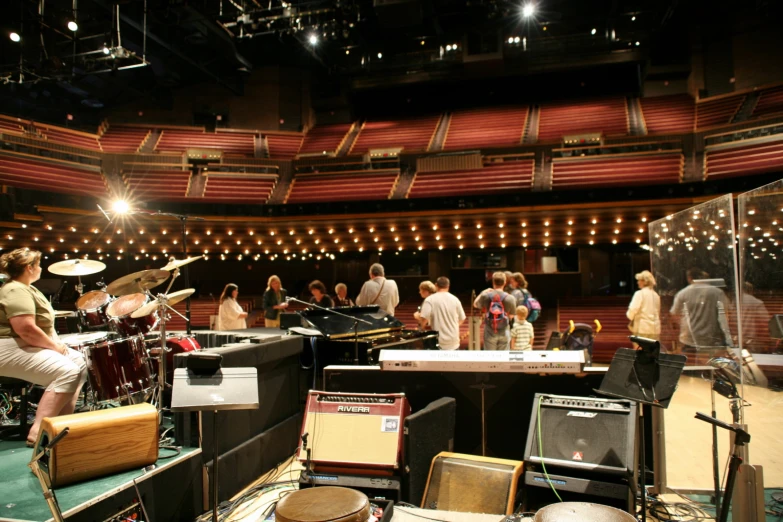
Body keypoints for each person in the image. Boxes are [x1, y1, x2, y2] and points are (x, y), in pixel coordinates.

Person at [0, 248, 87, 446]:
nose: (40, 269)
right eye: (38, 265)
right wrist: (54, 347)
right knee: (68, 371)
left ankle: (63, 424)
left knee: (79, 362)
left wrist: (56, 345)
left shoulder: (27, 287)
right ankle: (39, 431)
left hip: (22, 344)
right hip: (7, 347)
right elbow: (26, 329)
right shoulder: (15, 289)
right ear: (29, 268)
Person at [671, 268, 732, 351]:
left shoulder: (683, 293)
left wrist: (684, 327)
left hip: (689, 338)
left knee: (691, 363)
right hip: (712, 338)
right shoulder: (717, 292)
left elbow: (674, 314)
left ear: (689, 278)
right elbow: (726, 313)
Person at [419, 277, 466, 350]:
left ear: (436, 285)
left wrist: (420, 324)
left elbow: (424, 320)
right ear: (448, 286)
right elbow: (462, 318)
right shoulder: (455, 299)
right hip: (453, 341)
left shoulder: (429, 300)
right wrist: (454, 326)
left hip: (438, 341)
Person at [473, 271, 516, 350]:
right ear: (505, 282)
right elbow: (511, 316)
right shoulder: (511, 298)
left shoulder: (485, 296)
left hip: (489, 331)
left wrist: (484, 292)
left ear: (493, 282)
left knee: (490, 357)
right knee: (503, 358)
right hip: (504, 331)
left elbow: (475, 304)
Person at [626, 270, 661, 342]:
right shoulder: (656, 295)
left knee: (640, 351)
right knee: (653, 351)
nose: (638, 282)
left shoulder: (639, 294)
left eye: (639, 280)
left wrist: (630, 316)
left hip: (642, 328)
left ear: (644, 281)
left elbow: (633, 310)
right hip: (655, 329)